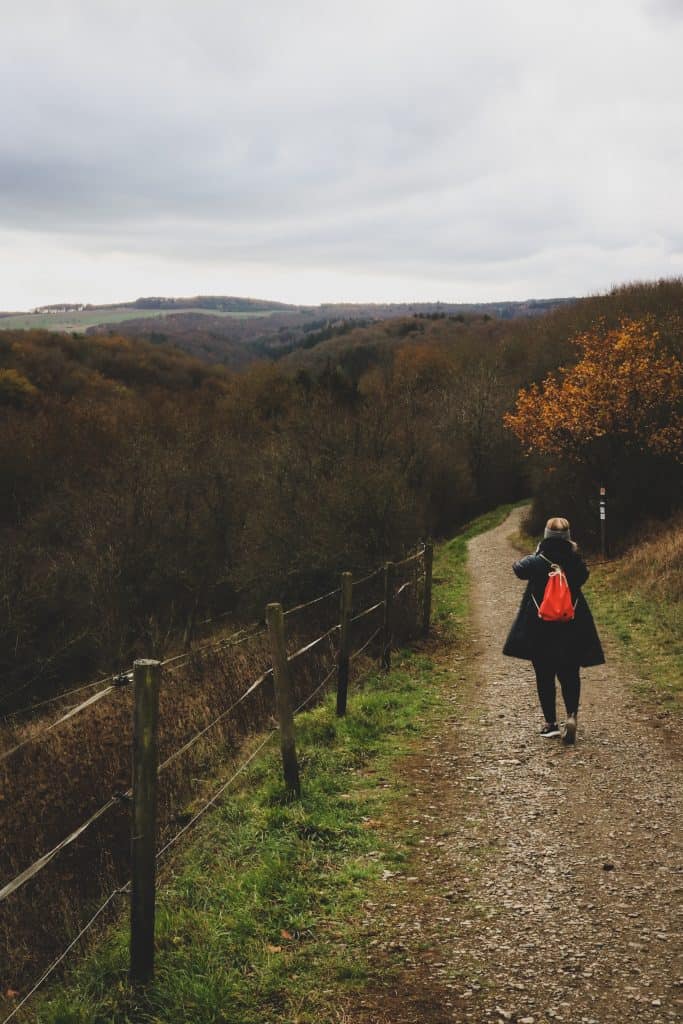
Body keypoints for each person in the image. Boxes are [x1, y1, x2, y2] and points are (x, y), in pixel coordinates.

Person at [503, 516, 604, 744]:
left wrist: (537, 553)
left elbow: (518, 569)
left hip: (541, 629)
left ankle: (551, 724)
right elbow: (584, 575)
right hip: (571, 626)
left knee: (544, 674)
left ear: (547, 536)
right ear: (568, 537)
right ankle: (572, 716)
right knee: (570, 673)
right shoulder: (576, 562)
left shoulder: (538, 562)